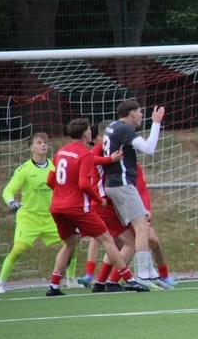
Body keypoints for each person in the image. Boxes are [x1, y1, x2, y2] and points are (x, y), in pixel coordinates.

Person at [45, 118, 150, 295]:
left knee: (70, 243)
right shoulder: (85, 154)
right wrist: (98, 199)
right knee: (107, 240)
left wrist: (63, 192)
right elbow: (84, 184)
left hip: (57, 206)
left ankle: (54, 286)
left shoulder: (61, 152)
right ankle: (129, 279)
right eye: (89, 130)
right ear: (86, 134)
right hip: (78, 207)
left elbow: (50, 181)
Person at [0, 133, 80, 293]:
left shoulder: (54, 167)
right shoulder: (24, 170)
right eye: (39, 143)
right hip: (29, 217)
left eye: (45, 142)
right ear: (31, 148)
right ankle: (0, 284)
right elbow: (8, 190)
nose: (43, 145)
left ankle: (71, 279)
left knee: (71, 243)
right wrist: (11, 202)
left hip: (51, 218)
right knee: (19, 249)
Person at [104, 100, 164, 289]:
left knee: (138, 230)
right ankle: (143, 275)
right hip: (122, 184)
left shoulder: (114, 127)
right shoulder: (123, 129)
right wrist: (156, 123)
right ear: (131, 114)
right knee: (142, 227)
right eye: (139, 112)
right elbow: (149, 149)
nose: (141, 116)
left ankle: (150, 273)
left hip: (115, 184)